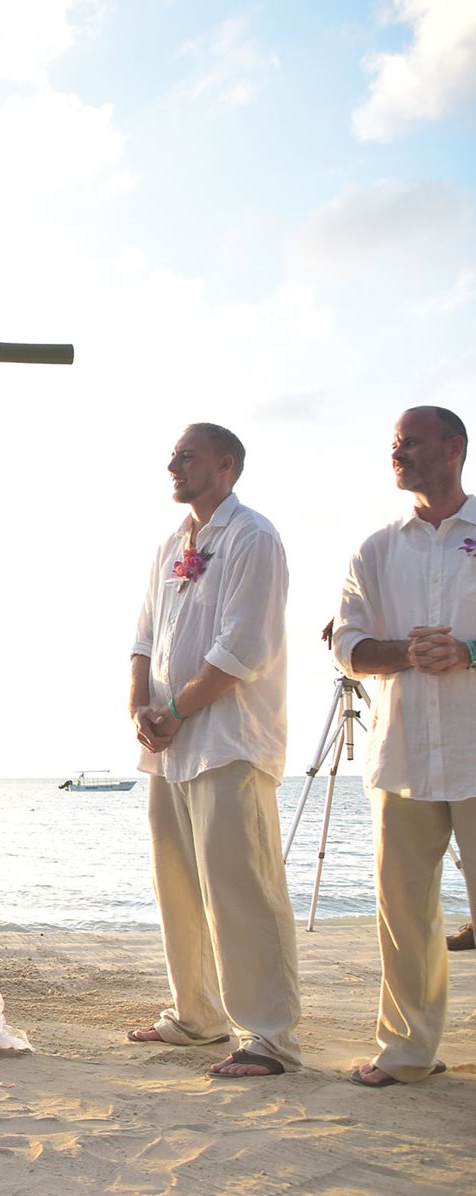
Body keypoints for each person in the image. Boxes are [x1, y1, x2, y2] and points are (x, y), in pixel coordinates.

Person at [125, 423, 301, 1079]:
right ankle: (196, 1014)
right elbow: (143, 636)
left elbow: (243, 650)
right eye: (171, 454)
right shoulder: (172, 543)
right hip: (169, 749)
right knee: (176, 884)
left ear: (225, 466)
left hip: (229, 742)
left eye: (187, 455)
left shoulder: (253, 537)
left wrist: (172, 711)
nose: (173, 464)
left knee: (243, 890)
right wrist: (139, 706)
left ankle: (272, 1037)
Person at [331, 405, 475, 1087]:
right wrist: (409, 654)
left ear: (454, 449)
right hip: (404, 756)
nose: (397, 452)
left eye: (410, 442)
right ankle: (408, 1052)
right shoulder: (375, 549)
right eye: (393, 443)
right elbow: (347, 646)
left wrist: (468, 650)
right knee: (405, 914)